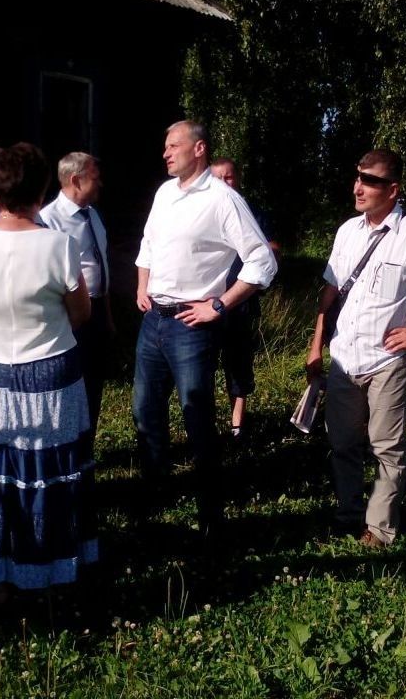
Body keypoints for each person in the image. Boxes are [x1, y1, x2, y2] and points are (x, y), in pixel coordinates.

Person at [0, 142, 96, 591]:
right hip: (51, 370)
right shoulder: (59, 245)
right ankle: (48, 567)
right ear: (40, 190)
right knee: (49, 470)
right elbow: (80, 312)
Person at [306, 149, 406, 549]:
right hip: (343, 358)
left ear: (393, 190)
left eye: (370, 180)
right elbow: (331, 292)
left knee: (387, 449)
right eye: (358, 177)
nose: (359, 186)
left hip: (386, 362)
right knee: (342, 445)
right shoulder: (346, 232)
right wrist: (316, 345)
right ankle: (347, 518)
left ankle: (380, 530)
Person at [133, 121, 276, 529]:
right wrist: (143, 286)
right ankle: (157, 493)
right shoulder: (164, 194)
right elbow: (147, 245)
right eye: (164, 146)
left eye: (173, 145)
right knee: (145, 412)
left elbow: (261, 260)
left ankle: (209, 508)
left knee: (196, 417)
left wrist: (220, 304)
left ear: (199, 149)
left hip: (190, 326)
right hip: (153, 320)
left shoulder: (222, 199)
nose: (165, 152)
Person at [40, 151, 112, 436]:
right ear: (75, 180)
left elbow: (100, 264)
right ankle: (66, 442)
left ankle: (86, 446)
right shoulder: (49, 221)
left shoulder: (93, 215)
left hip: (95, 313)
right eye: (95, 178)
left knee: (94, 384)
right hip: (69, 317)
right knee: (69, 385)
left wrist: (107, 317)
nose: (100, 184)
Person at [209, 157, 279, 438]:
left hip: (241, 302)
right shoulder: (203, 215)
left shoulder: (254, 214)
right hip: (206, 302)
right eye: (217, 178)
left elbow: (272, 248)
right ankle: (207, 423)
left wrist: (268, 265)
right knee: (204, 363)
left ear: (237, 180)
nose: (224, 183)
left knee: (238, 363)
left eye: (229, 178)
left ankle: (237, 425)